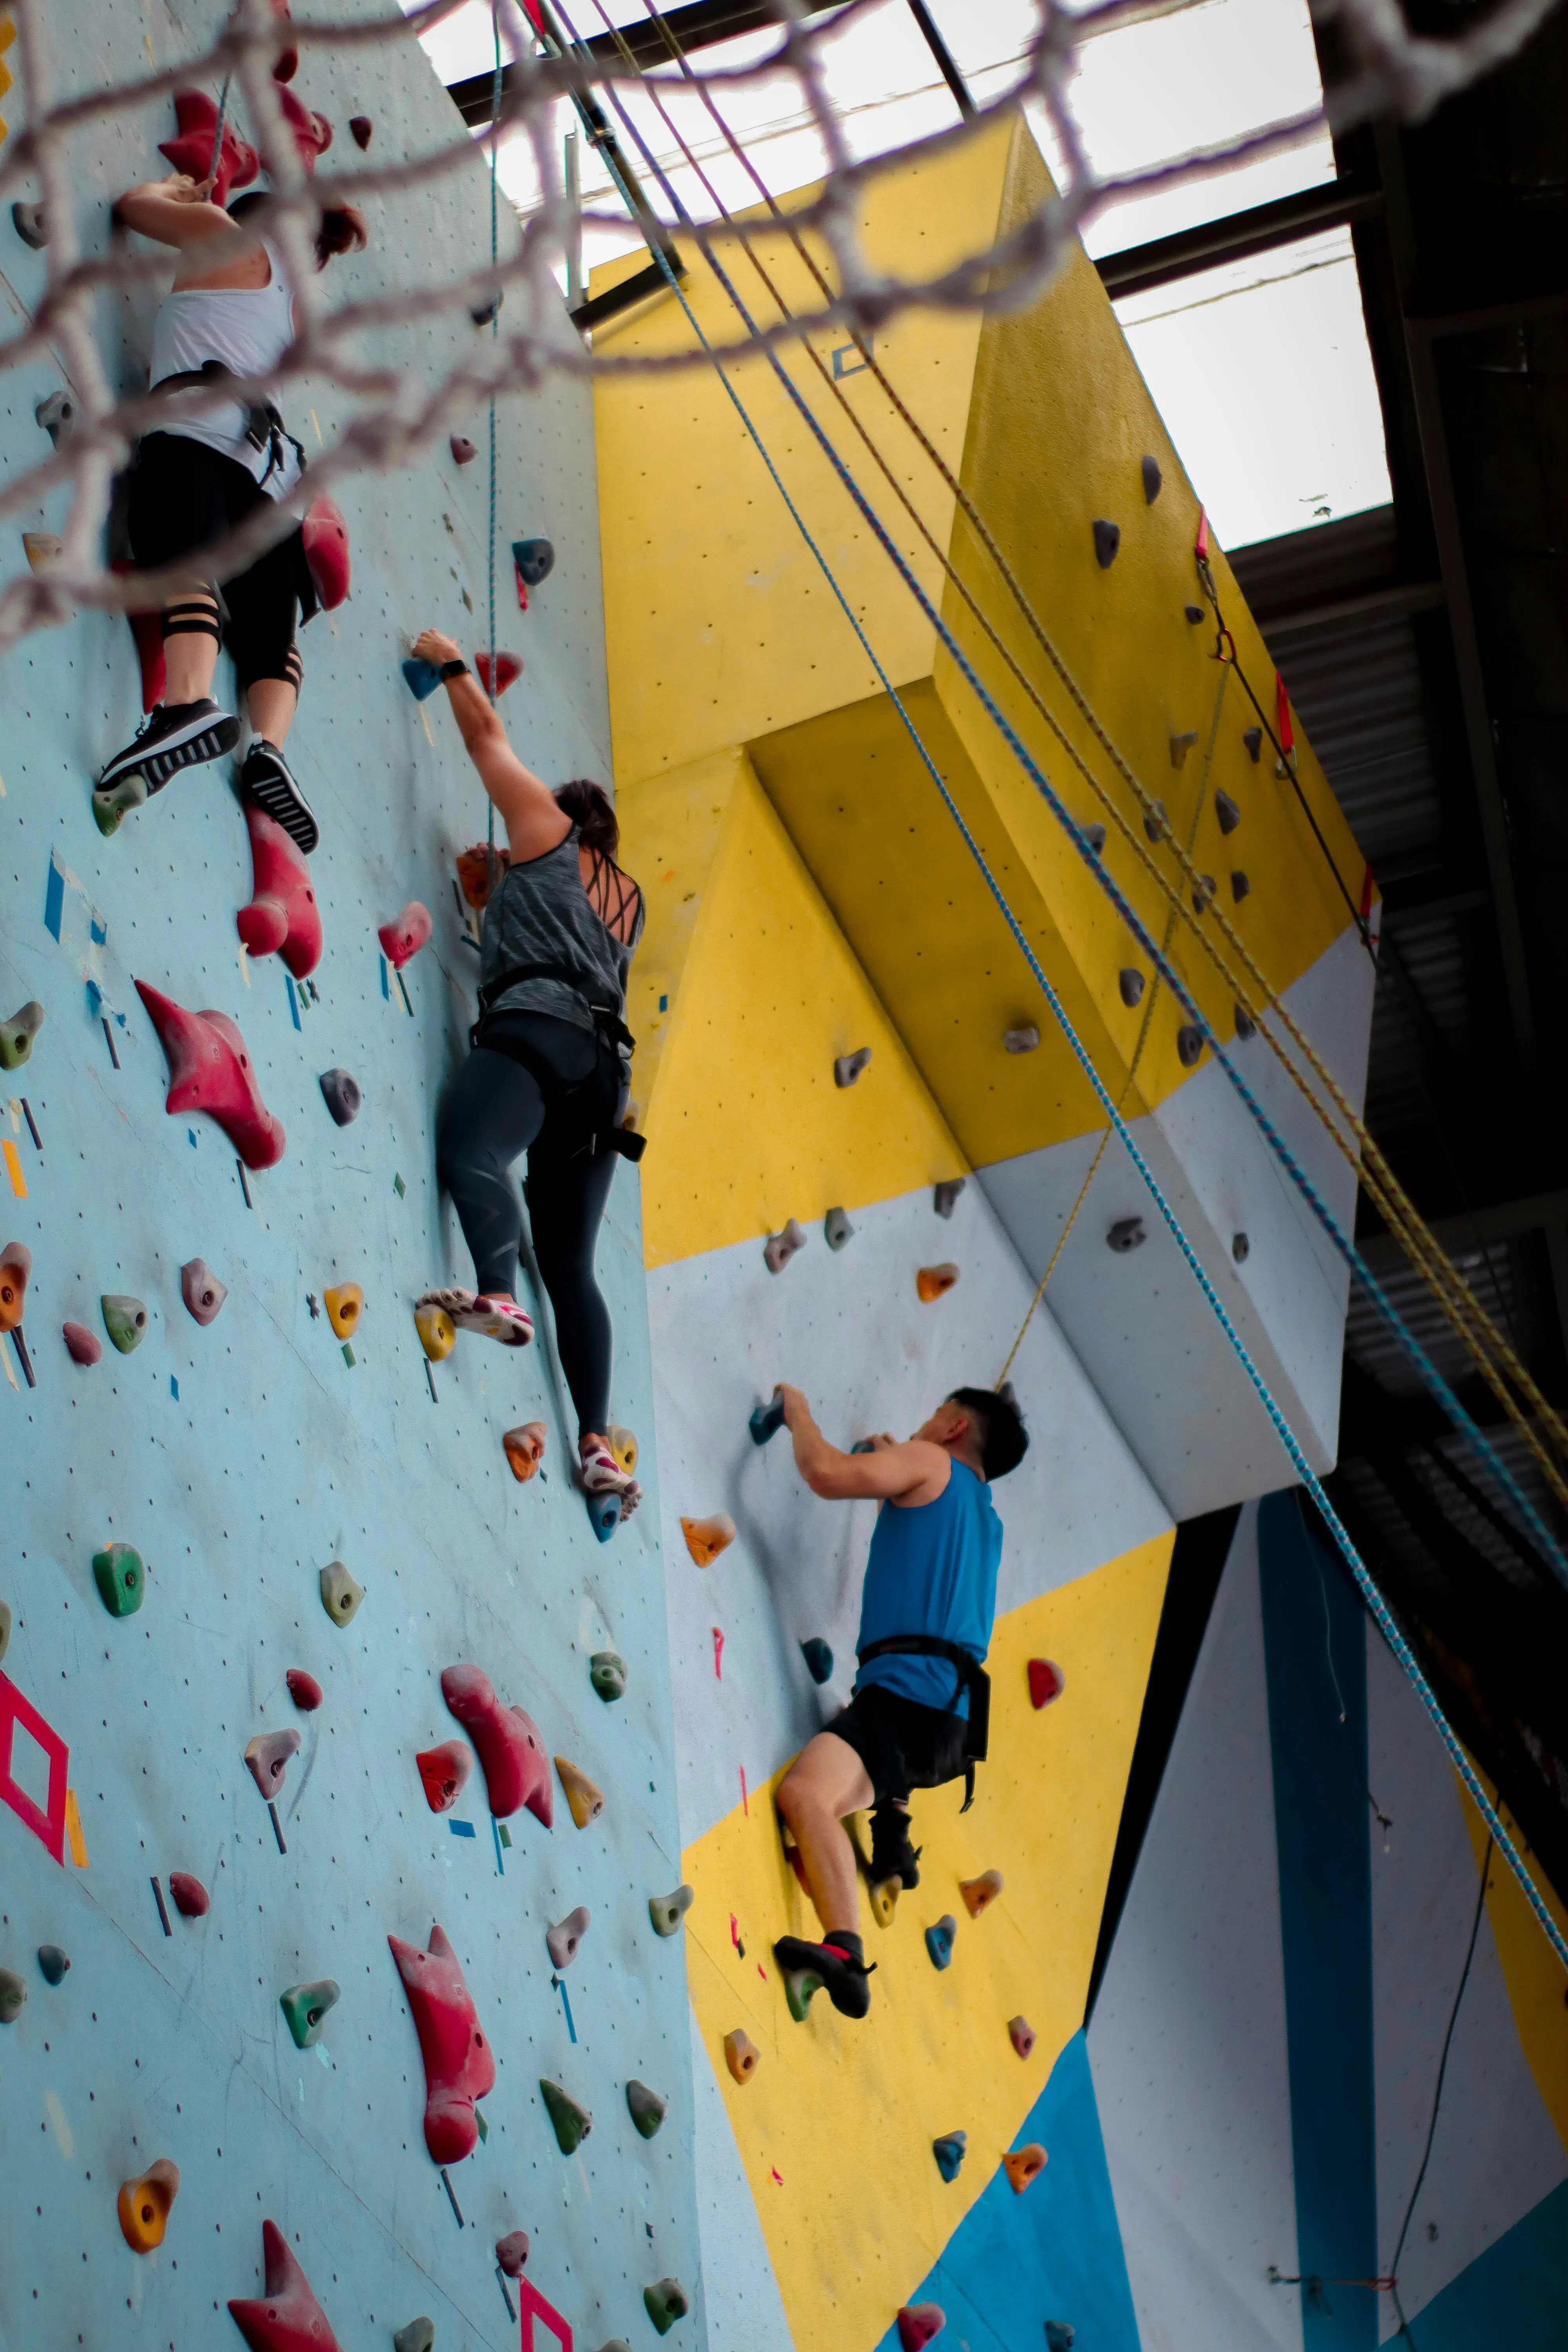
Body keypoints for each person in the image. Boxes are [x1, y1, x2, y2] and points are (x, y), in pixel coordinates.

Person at [412, 626, 646, 1519]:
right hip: (603, 1084)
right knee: (573, 1266)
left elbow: (486, 740)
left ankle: (498, 1295)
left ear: (560, 814)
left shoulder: (548, 830)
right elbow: (555, 936)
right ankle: (598, 1444)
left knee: (472, 1151)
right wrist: (498, 891)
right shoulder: (626, 903)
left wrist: (450, 662)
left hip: (541, 1033)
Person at [96, 173, 368, 849]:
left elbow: (131, 209)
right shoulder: (299, 313)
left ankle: (187, 703)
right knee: (272, 630)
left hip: (197, 436)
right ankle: (268, 748)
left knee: (181, 551)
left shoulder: (225, 235)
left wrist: (174, 190)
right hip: (269, 482)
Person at [771, 1381, 1029, 2020]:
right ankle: (892, 1834)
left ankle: (846, 1951)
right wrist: (898, 1460)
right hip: (951, 1728)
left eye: (935, 1415)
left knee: (806, 1796)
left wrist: (797, 1411)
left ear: (954, 1428)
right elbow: (932, 1548)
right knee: (839, 1779)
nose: (922, 1427)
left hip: (907, 1700)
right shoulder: (988, 1522)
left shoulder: (931, 1463)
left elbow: (826, 1473)